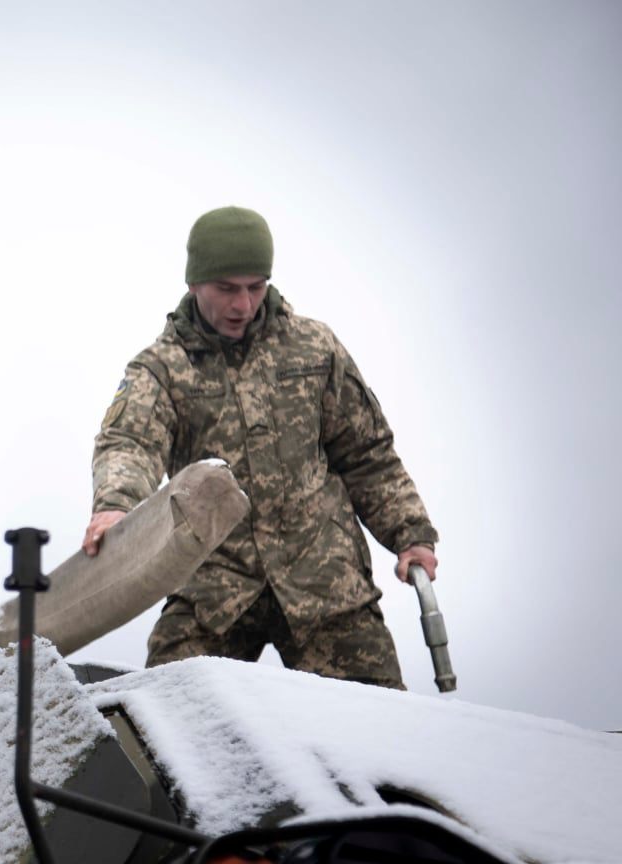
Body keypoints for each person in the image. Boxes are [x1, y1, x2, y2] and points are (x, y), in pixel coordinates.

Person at [83, 206, 438, 688]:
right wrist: (114, 509)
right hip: (214, 584)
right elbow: (130, 443)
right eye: (227, 289)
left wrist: (410, 533)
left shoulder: (314, 348)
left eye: (256, 286)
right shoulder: (162, 368)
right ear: (194, 284)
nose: (243, 304)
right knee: (163, 716)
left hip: (325, 580)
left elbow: (367, 452)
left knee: (380, 728)